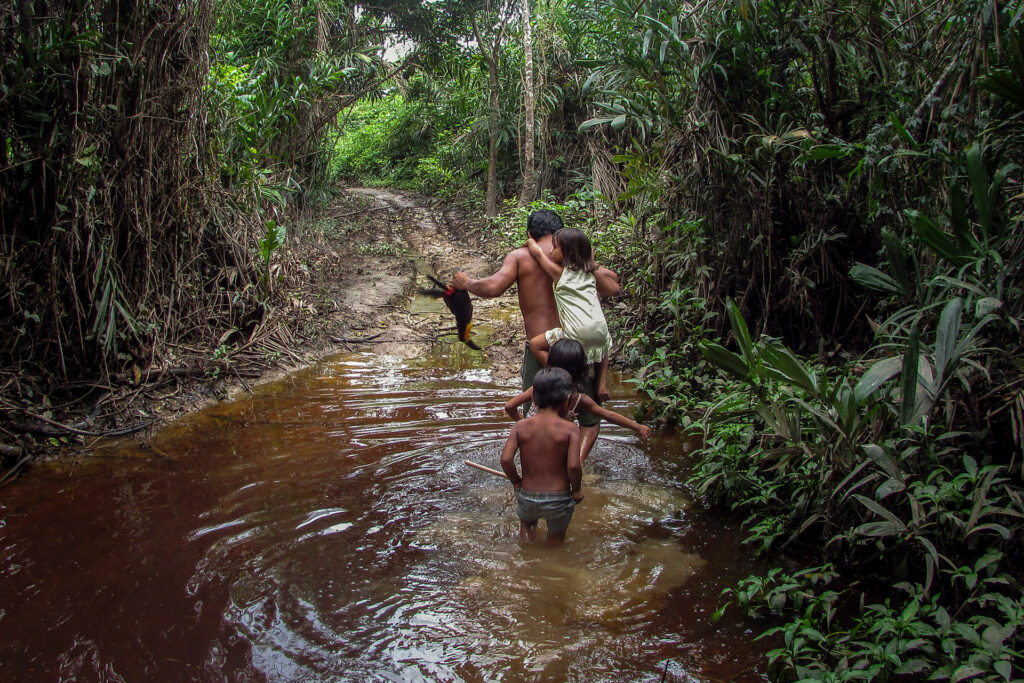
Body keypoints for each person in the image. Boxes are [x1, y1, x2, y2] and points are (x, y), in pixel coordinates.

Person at [452, 210, 619, 462]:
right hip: (580, 349)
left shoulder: (521, 257)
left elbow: (493, 288)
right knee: (590, 417)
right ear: (561, 232)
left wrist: (467, 283)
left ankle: (539, 470)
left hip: (545, 350)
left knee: (538, 415)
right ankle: (578, 465)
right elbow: (612, 287)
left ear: (530, 234)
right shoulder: (574, 258)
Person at [505, 339, 651, 465]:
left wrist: (523, 422)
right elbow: (609, 416)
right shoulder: (578, 399)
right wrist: (637, 427)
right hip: (556, 449)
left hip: (532, 447)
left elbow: (509, 406)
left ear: (549, 363)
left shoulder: (536, 389)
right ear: (582, 369)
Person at [525, 228, 611, 402]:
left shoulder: (560, 274)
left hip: (576, 334)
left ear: (568, 252)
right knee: (605, 345)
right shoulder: (590, 272)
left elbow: (538, 255)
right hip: (600, 330)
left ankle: (566, 381)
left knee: (535, 345)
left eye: (555, 248)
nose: (550, 251)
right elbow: (590, 253)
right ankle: (602, 384)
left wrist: (530, 242)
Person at [499, 367, 583, 545]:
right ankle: (550, 566)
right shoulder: (570, 429)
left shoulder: (520, 426)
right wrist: (576, 490)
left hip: (527, 497)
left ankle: (527, 559)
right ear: (568, 400)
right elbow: (574, 466)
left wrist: (516, 481)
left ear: (533, 399)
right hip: (558, 499)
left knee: (527, 529)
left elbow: (506, 459)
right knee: (556, 540)